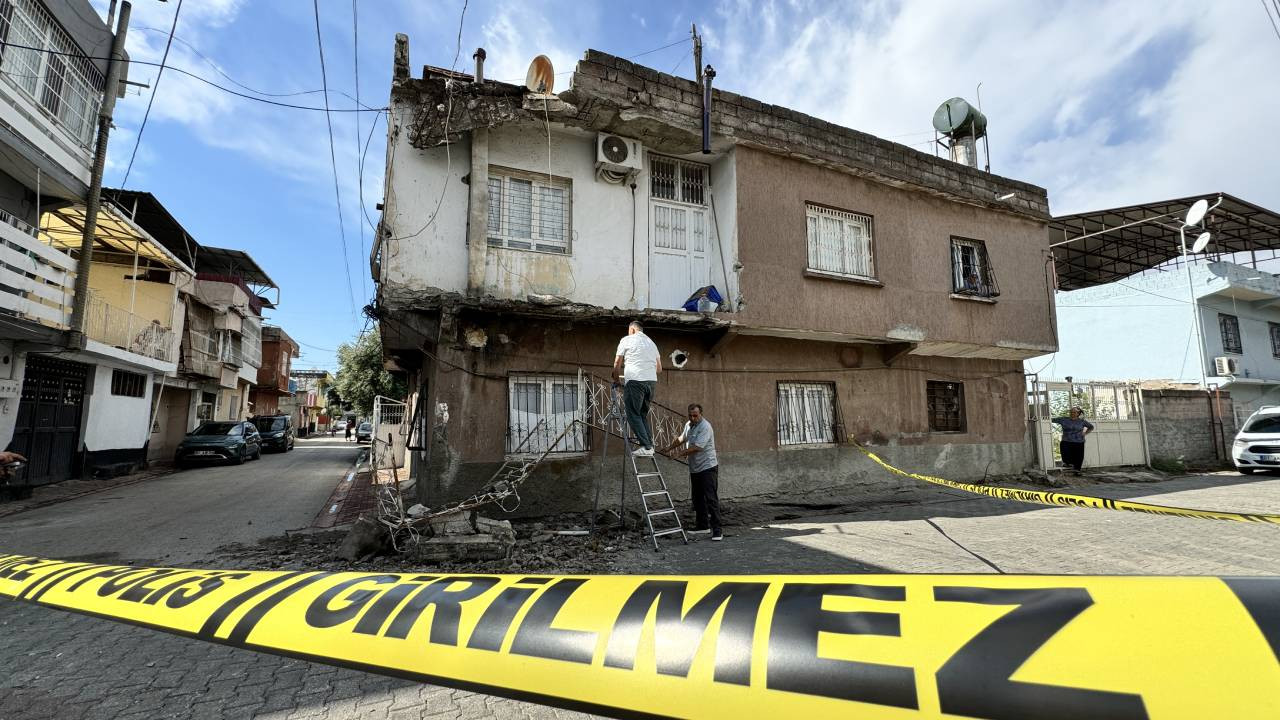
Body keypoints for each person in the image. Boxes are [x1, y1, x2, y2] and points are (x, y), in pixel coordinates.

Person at [664, 404, 722, 541]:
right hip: (695, 468)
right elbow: (682, 438)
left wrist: (679, 454)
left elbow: (697, 447)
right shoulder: (689, 424)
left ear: (701, 414)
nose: (692, 418)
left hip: (708, 467)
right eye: (690, 415)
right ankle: (703, 526)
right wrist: (668, 448)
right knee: (697, 499)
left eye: (695, 415)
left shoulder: (705, 427)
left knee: (711, 499)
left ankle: (718, 531)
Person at [612, 321, 661, 456]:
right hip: (651, 383)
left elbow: (617, 363)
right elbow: (659, 368)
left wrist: (616, 379)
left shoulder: (627, 340)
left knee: (633, 414)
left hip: (635, 381)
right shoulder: (651, 343)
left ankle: (646, 447)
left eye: (629, 331)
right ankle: (649, 445)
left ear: (632, 329)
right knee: (642, 415)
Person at [1052, 407, 1094, 474]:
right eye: (1071, 412)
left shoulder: (1082, 421)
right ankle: (1068, 464)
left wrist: (1085, 433)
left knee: (1079, 456)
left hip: (1079, 441)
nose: (1072, 413)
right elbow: (1050, 420)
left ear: (1078, 414)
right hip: (1066, 440)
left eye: (1074, 412)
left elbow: (1091, 427)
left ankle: (1077, 471)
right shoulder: (1064, 420)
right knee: (1065, 453)